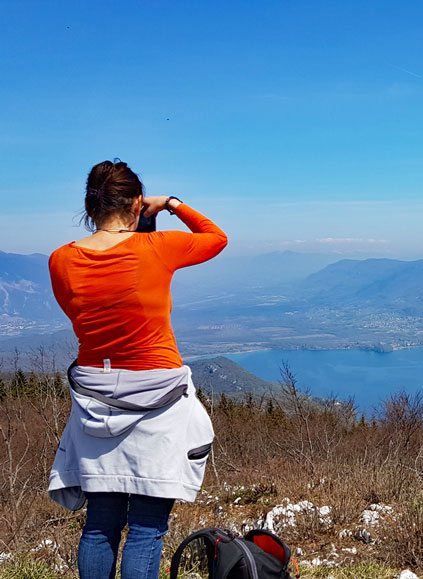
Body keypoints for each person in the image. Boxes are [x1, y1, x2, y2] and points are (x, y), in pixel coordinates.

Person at [47, 159, 227, 578]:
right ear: (136, 204)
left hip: (95, 401)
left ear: (90, 207)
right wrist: (172, 205)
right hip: (158, 400)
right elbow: (215, 238)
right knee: (147, 528)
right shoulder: (157, 246)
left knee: (99, 526)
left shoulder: (61, 261)